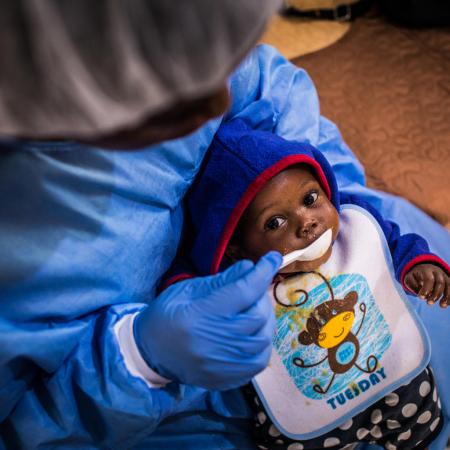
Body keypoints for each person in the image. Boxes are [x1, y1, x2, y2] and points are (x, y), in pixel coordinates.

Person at [0, 5, 449, 444]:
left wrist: (346, 209)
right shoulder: (22, 240)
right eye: (173, 92)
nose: (220, 101)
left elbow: (283, 100)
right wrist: (141, 360)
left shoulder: (203, 36)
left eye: (224, 63)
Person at [160, 119, 449, 450]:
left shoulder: (356, 226)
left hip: (398, 382)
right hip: (308, 419)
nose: (307, 221)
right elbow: (185, 293)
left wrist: (421, 267)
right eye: (276, 222)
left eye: (310, 198)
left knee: (423, 427)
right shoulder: (235, 281)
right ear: (236, 246)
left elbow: (395, 245)